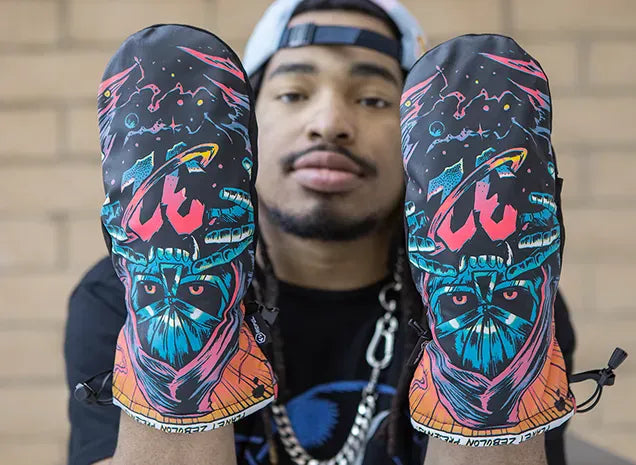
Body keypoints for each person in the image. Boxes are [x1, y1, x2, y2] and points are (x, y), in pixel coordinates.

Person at [64, 1, 576, 464]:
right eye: (293, 93)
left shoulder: (525, 298)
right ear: (244, 128)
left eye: (373, 100)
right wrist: (170, 342)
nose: (329, 123)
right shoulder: (117, 295)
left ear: (417, 141)